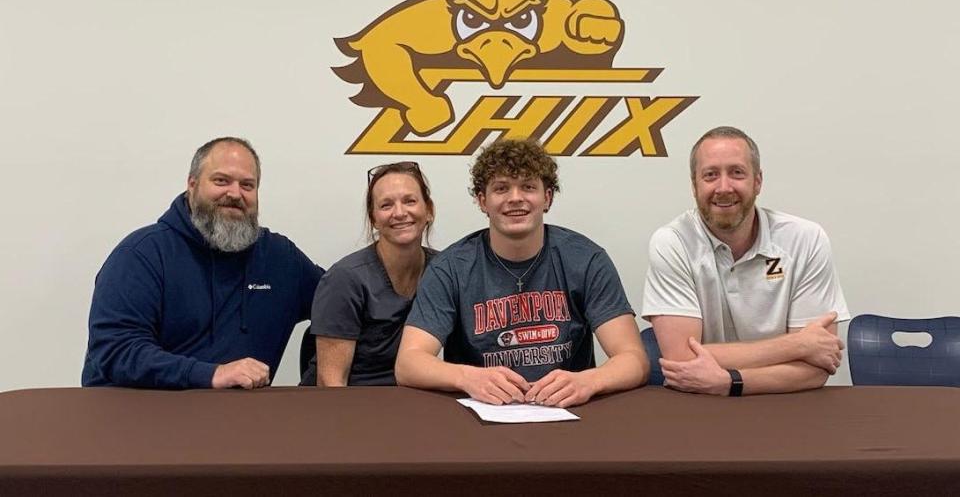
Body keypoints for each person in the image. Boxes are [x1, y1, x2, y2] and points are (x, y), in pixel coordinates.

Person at [395, 139, 648, 408]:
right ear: (483, 201)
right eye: (501, 188)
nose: (515, 198)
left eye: (528, 186)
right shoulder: (451, 268)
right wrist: (467, 377)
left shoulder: (586, 260)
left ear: (547, 197)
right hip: (480, 415)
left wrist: (589, 381)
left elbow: (634, 359)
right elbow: (409, 363)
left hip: (566, 412)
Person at [81, 137, 323, 389]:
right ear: (192, 185)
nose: (235, 193)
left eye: (247, 185)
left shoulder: (279, 258)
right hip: (141, 416)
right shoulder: (141, 254)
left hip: (240, 419)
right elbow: (115, 349)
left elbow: (341, 303)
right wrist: (210, 374)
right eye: (221, 181)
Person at [642, 126, 849, 396]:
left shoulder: (805, 239)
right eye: (710, 175)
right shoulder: (673, 242)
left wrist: (730, 382)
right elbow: (682, 360)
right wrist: (797, 345)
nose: (724, 187)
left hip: (789, 406)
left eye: (737, 173)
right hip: (699, 407)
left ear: (758, 181)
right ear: (694, 185)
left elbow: (817, 366)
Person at [300, 162, 436, 386]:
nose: (400, 213)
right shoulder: (345, 279)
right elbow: (330, 383)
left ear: (428, 210)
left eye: (410, 201)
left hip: (406, 401)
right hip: (348, 405)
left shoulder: (443, 270)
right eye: (386, 205)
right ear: (374, 218)